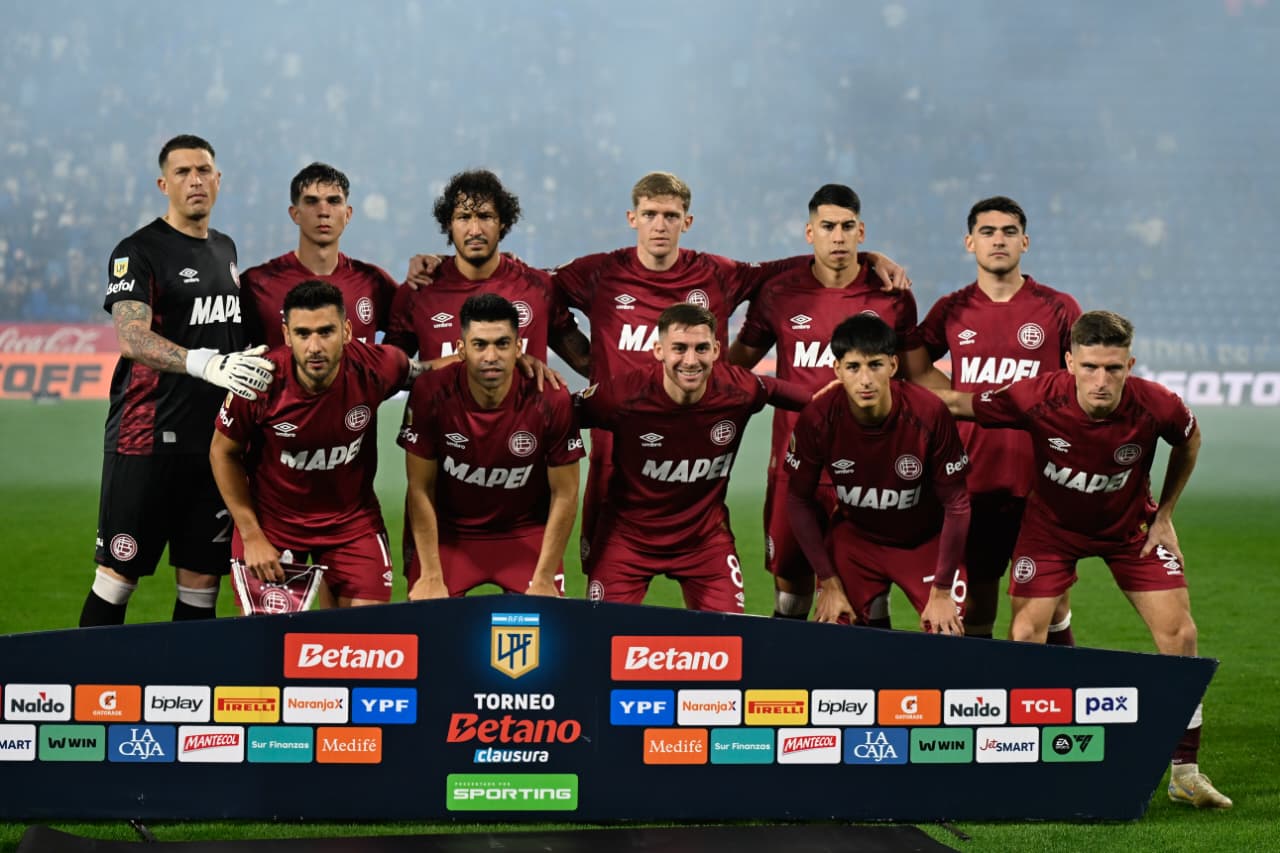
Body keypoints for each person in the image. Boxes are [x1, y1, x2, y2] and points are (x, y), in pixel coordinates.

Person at [408, 171, 908, 564]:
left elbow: (802, 265)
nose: (660, 225)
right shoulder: (599, 272)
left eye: (671, 215)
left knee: (700, 545)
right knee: (606, 562)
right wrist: (444, 261)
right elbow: (523, 284)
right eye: (650, 214)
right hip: (614, 442)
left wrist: (867, 257)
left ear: (686, 222)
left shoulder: (718, 273)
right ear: (633, 218)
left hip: (695, 437)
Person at [936, 310, 1230, 808]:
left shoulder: (1157, 404)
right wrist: (878, 391)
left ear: (1129, 365)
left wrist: (1166, 514)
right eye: (1090, 367)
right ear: (1070, 362)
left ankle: (1184, 772)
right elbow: (957, 403)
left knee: (1181, 635)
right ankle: (1026, 757)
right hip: (1050, 533)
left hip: (1130, 531)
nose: (1101, 381)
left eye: (1113, 369)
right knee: (1025, 635)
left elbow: (1190, 440)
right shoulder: (1036, 395)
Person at [79, 134, 275, 627]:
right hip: (146, 441)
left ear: (218, 179)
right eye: (183, 172)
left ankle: (187, 679)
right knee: (117, 578)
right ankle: (88, 675)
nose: (195, 180)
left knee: (202, 585)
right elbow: (131, 337)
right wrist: (204, 363)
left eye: (204, 170)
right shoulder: (138, 251)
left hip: (214, 446)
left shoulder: (225, 248)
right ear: (163, 184)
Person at [728, 183, 933, 622]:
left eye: (846, 227)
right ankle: (790, 667)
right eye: (827, 227)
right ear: (810, 232)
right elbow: (734, 367)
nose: (838, 237)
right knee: (791, 593)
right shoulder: (779, 293)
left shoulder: (891, 295)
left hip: (871, 472)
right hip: (795, 466)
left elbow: (918, 378)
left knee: (868, 597)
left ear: (861, 231)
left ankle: (868, 667)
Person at [917, 196, 1082, 641]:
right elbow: (912, 363)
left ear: (1024, 242)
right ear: (970, 242)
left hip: (1042, 479)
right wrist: (960, 398)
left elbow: (1082, 377)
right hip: (974, 476)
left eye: (1009, 232)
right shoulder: (952, 309)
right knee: (977, 596)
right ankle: (983, 682)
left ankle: (1053, 685)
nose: (998, 240)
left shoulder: (1058, 307)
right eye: (987, 232)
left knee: (1050, 601)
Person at [575, 302, 811, 613]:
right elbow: (555, 416)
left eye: (701, 348)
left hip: (704, 543)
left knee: (729, 637)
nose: (690, 360)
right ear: (659, 351)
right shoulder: (622, 396)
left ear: (716, 350)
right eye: (679, 348)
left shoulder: (739, 389)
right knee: (601, 633)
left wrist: (851, 401)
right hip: (627, 542)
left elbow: (811, 400)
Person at [210, 280, 419, 607]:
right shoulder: (260, 380)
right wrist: (252, 536)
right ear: (287, 335)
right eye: (303, 334)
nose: (315, 347)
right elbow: (222, 453)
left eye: (326, 332)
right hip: (273, 527)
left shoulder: (378, 366)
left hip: (352, 524)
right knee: (271, 638)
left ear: (346, 331)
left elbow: (428, 373)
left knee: (368, 632)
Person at [787, 314, 969, 634]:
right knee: (832, 631)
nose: (866, 380)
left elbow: (957, 504)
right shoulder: (817, 417)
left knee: (949, 634)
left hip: (924, 544)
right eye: (853, 367)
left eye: (875, 365)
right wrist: (828, 582)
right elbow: (798, 499)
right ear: (837, 370)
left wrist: (942, 590)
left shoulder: (929, 412)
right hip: (856, 543)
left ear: (893, 366)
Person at [398, 293, 583, 599]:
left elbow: (565, 493)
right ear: (461, 349)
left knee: (542, 622)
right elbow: (420, 487)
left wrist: (544, 576)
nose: (491, 356)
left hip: (524, 534)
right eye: (480, 345)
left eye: (502, 344)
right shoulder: (430, 393)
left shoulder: (551, 399)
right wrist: (431, 574)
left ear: (518, 348)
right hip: (450, 536)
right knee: (429, 620)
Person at [384, 169, 588, 377]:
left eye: (485, 216)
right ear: (449, 224)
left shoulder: (539, 288)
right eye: (464, 217)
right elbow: (387, 375)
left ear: (503, 222)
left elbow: (587, 363)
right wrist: (464, 361)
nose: (475, 230)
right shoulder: (417, 292)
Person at [240, 163, 399, 347]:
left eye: (333, 201)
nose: (323, 212)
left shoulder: (373, 282)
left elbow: (410, 330)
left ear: (348, 214)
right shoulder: (256, 285)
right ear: (295, 214)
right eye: (311, 201)